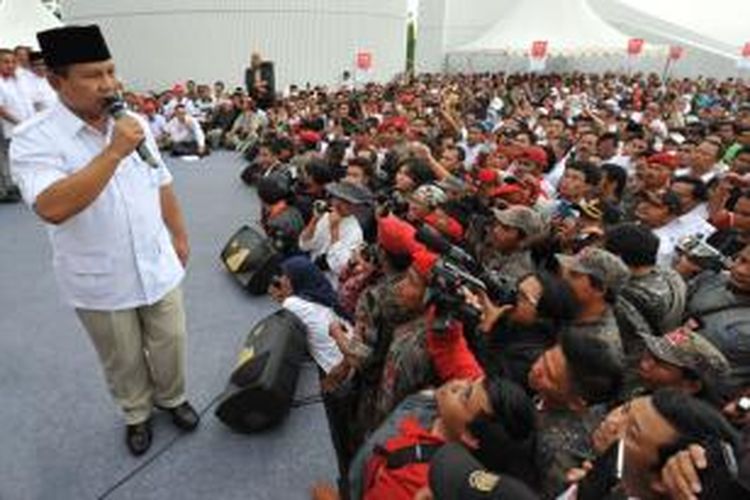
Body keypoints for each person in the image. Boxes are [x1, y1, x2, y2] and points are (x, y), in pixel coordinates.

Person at [10, 25, 198, 457]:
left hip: (155, 260)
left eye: (111, 71)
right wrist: (112, 153)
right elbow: (52, 206)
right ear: (57, 82)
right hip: (99, 275)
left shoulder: (132, 122)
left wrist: (180, 235)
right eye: (93, 75)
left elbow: (160, 180)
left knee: (171, 341)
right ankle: (137, 414)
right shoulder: (33, 138)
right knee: (122, 357)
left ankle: (172, 398)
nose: (110, 83)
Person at [0, 48, 34, 200]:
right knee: (7, 157)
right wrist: (19, 122)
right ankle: (8, 188)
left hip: (26, 125)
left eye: (13, 62)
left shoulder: (20, 79)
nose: (11, 65)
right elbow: (1, 109)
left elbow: (29, 101)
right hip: (8, 126)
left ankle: (22, 184)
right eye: (6, 62)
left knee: (23, 154)